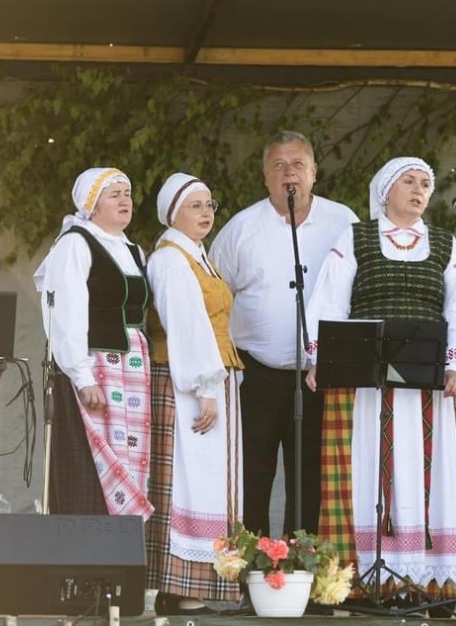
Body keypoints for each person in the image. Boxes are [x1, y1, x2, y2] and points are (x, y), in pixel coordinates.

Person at [305, 157, 456, 603]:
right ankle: (364, 580)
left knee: (422, 469)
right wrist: (318, 357)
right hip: (366, 383)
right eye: (409, 181)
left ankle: (423, 579)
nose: (419, 189)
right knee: (368, 467)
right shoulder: (356, 237)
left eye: (426, 183)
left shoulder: (444, 244)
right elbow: (329, 299)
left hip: (426, 382)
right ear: (385, 190)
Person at [210, 130, 358, 538]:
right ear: (265, 177)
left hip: (318, 374)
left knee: (311, 479)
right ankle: (250, 576)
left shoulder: (343, 222)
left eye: (297, 165)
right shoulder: (241, 229)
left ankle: (306, 573)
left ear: (314, 173)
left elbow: (357, 292)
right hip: (255, 372)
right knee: (252, 476)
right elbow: (214, 298)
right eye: (278, 166)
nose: (288, 174)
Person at [145, 173, 244, 614]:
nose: (206, 213)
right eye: (196, 205)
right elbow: (186, 326)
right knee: (188, 479)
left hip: (208, 377)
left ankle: (190, 587)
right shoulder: (171, 260)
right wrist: (206, 387)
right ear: (173, 213)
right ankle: (181, 586)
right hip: (187, 380)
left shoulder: (197, 257)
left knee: (206, 481)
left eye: (209, 204)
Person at [33, 167, 153, 519]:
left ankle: (120, 552)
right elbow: (64, 312)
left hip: (130, 371)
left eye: (127, 194)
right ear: (91, 203)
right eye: (113, 194)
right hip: (93, 366)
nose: (124, 201)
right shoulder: (76, 243)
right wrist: (82, 376)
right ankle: (86, 553)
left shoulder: (132, 249)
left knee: (127, 461)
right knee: (92, 461)